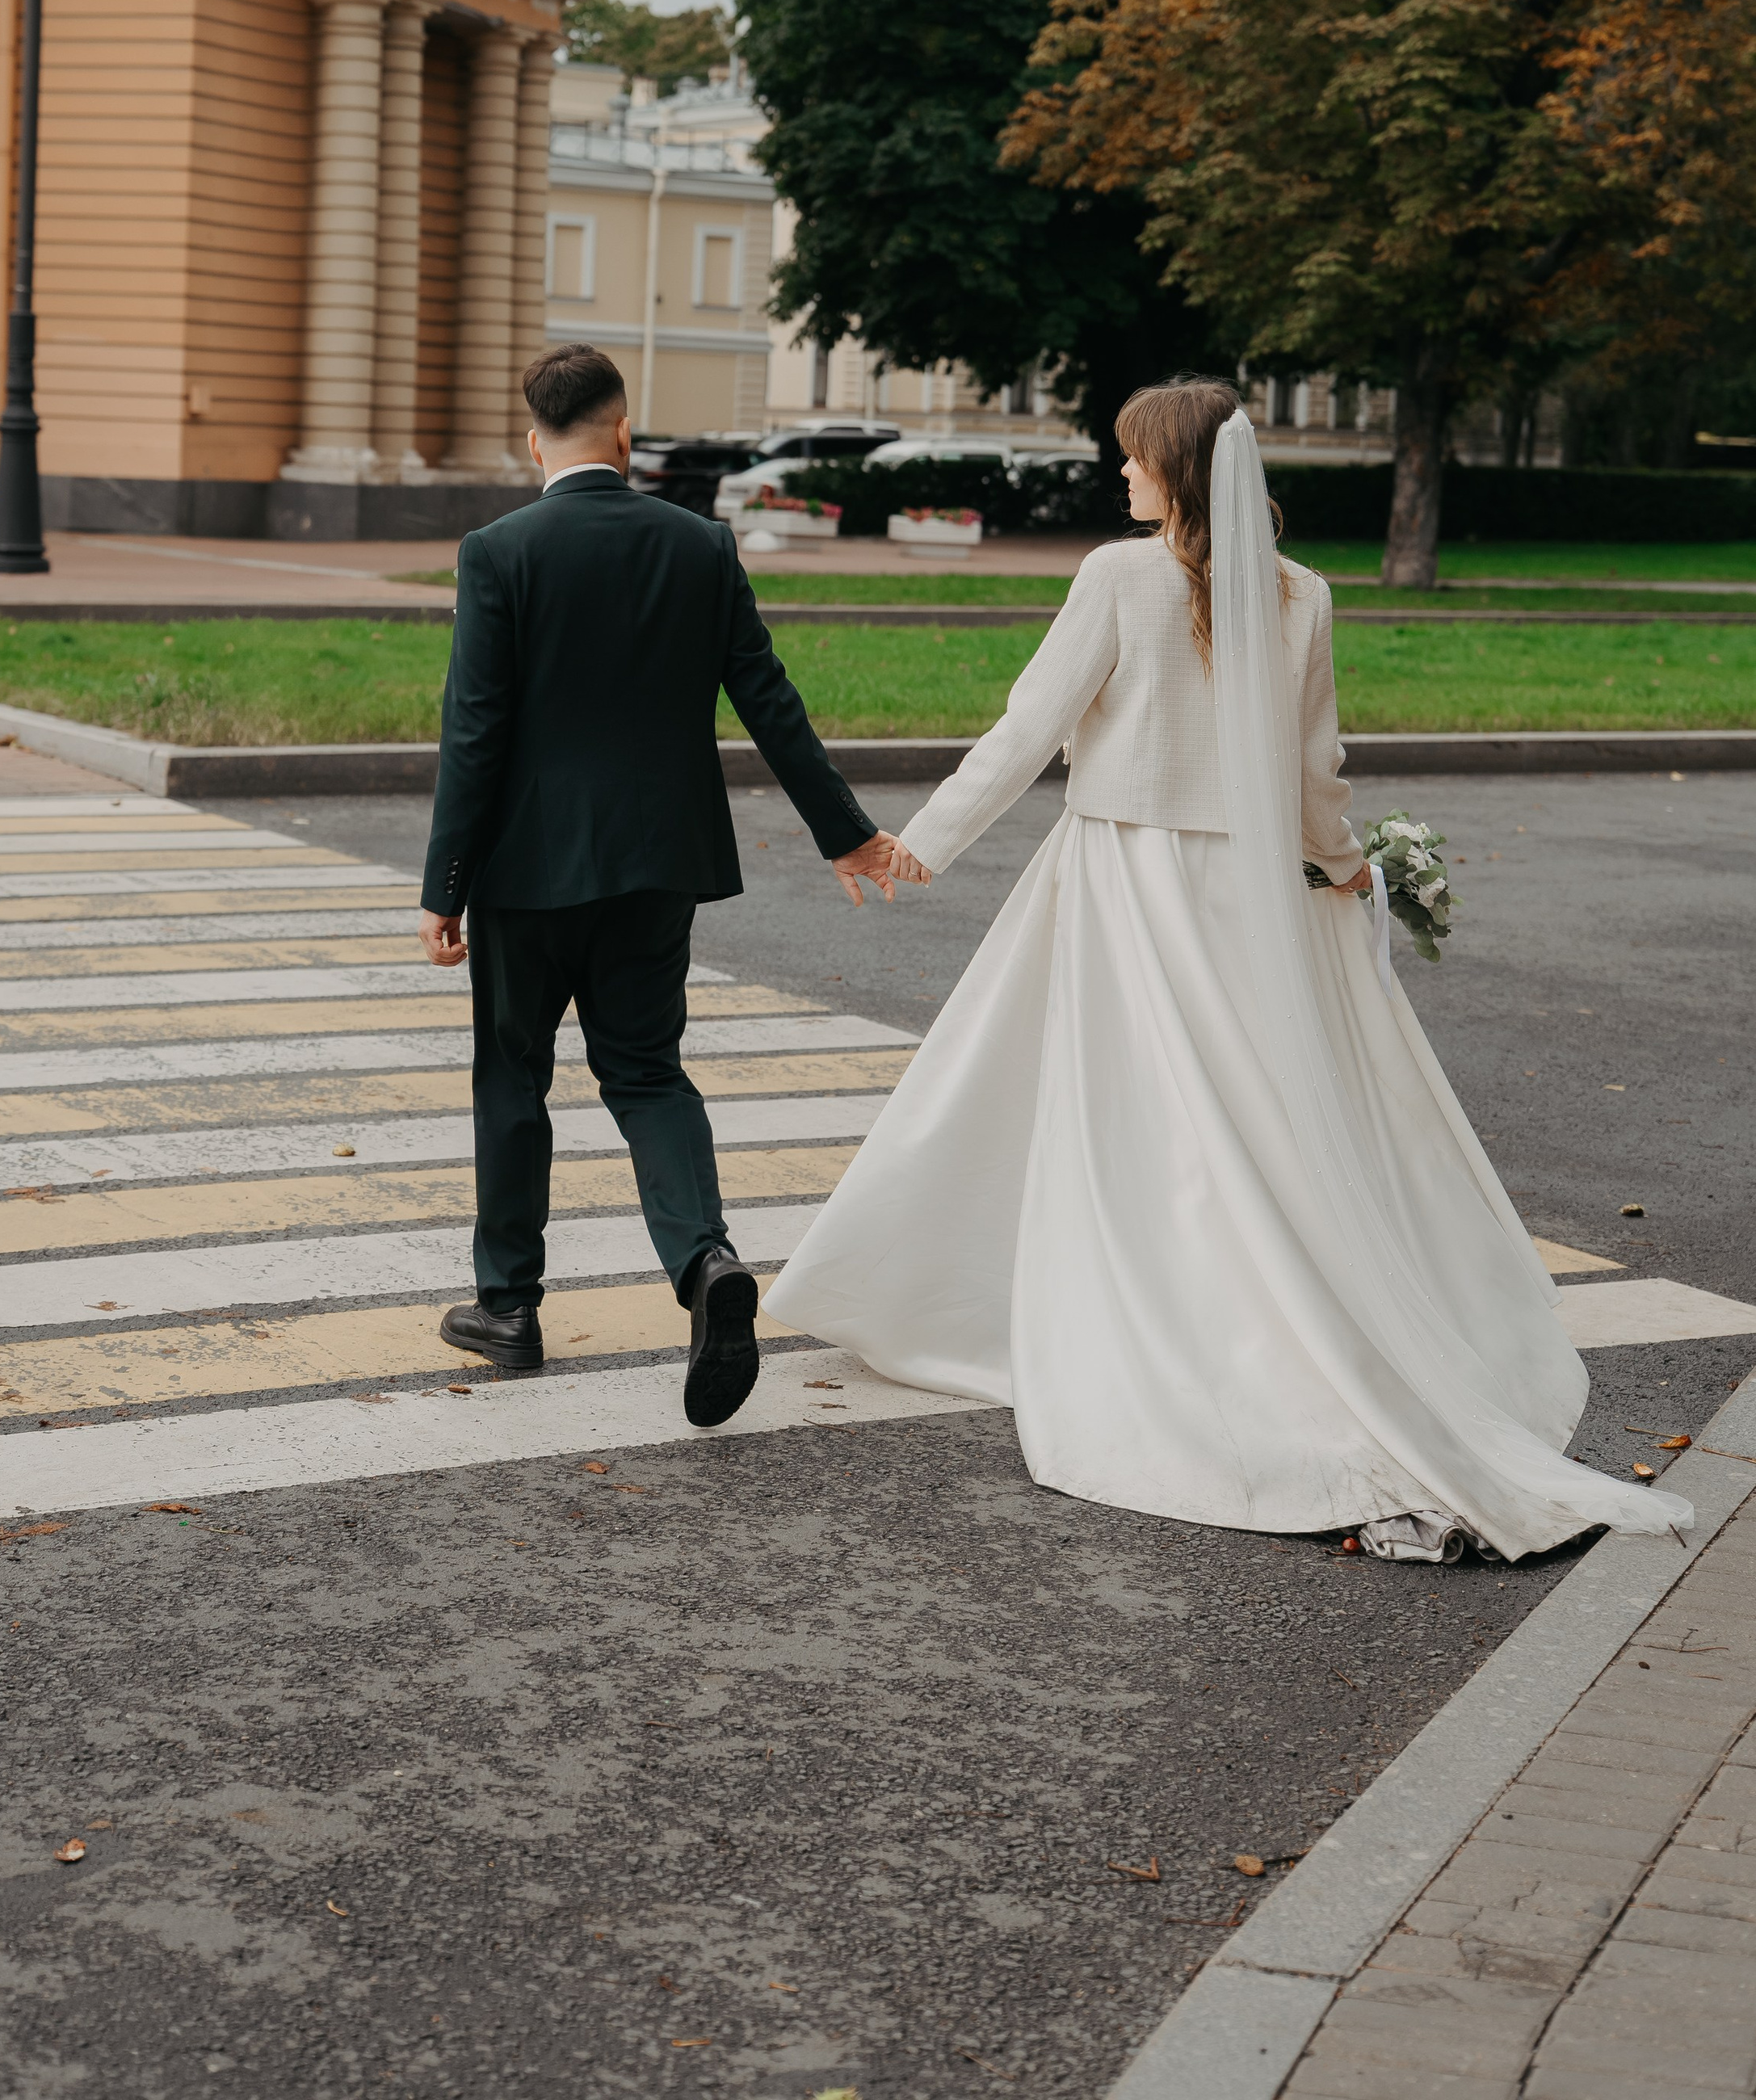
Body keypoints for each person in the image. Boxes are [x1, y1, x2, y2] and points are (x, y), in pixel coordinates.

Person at [767, 378, 1691, 1563]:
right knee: (1250, 1121)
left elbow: (1031, 723)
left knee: (1115, 1112)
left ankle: (1060, 1306)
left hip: (1125, 884)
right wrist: (1349, 867)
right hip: (1254, 898)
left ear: (1179, 470)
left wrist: (925, 843)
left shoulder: (1117, 577)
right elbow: (1315, 771)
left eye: (1133, 460)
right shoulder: (1302, 594)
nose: (1120, 476)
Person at [419, 340, 902, 1428]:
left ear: (532, 440)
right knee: (646, 1074)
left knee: (512, 1076)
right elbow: (767, 700)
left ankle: (509, 1308)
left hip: (524, 871)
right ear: (626, 434)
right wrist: (845, 833)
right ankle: (704, 1261)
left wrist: (444, 882)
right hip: (656, 865)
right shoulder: (700, 546)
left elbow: (476, 728)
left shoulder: (499, 551)